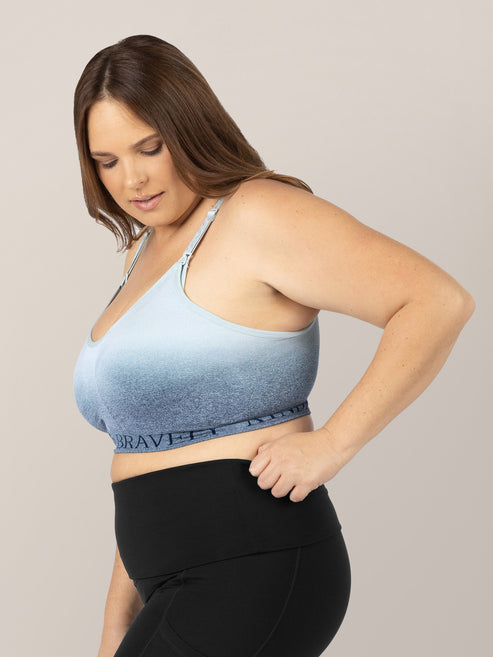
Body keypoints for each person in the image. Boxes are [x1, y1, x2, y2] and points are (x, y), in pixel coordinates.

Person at [72, 34, 475, 657]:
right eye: (106, 161)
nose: (133, 178)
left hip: (255, 563)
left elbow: (436, 301)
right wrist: (114, 623)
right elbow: (143, 446)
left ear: (189, 127)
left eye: (150, 147)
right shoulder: (142, 253)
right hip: (166, 576)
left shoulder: (258, 213)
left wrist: (333, 444)